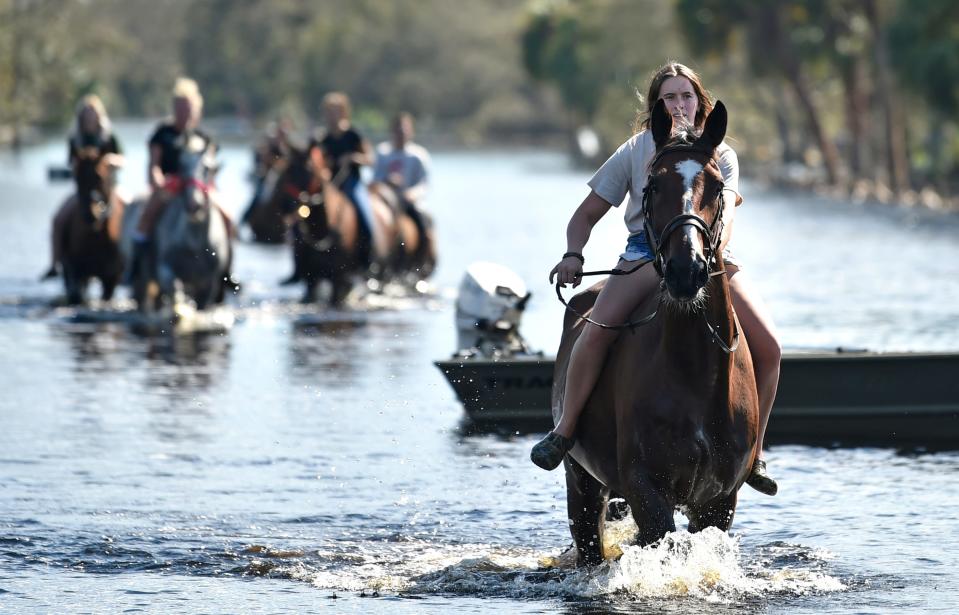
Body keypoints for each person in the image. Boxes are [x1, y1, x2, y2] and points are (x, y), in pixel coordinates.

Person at [529, 62, 781, 497]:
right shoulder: (636, 149)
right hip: (647, 255)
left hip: (710, 255)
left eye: (686, 96)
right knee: (594, 334)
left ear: (699, 101)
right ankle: (565, 430)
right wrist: (573, 253)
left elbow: (730, 214)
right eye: (669, 97)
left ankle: (753, 453)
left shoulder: (720, 154)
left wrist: (708, 252)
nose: (679, 104)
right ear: (657, 106)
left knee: (770, 347)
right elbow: (585, 215)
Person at [126, 77, 238, 289]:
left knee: (228, 218)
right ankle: (136, 266)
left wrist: (208, 188)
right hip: (170, 189)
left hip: (198, 189)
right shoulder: (163, 134)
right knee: (146, 217)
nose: (184, 113)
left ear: (196, 110)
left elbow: (211, 171)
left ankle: (226, 271)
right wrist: (159, 182)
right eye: (180, 108)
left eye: (188, 109)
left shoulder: (204, 139)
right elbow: (154, 166)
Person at [42, 94, 124, 279]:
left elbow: (122, 160)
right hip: (83, 192)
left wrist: (110, 161)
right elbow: (72, 163)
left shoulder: (109, 138)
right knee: (59, 219)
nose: (90, 118)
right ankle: (55, 263)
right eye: (86, 114)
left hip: (110, 190)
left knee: (133, 213)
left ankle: (131, 262)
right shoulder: (76, 140)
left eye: (93, 114)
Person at [313, 92, 376, 267]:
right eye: (328, 111)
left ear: (343, 112)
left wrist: (354, 158)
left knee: (364, 214)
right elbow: (316, 163)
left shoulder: (353, 135)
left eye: (335, 111)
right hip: (329, 187)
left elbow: (370, 159)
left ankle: (368, 258)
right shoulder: (323, 139)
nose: (331, 116)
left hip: (351, 184)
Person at [372, 112, 431, 207]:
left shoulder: (419, 155)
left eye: (404, 130)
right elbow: (376, 179)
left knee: (423, 219)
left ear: (411, 131)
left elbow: (424, 184)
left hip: (411, 203)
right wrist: (387, 181)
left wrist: (411, 194)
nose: (401, 134)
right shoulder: (382, 152)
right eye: (398, 131)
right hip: (387, 201)